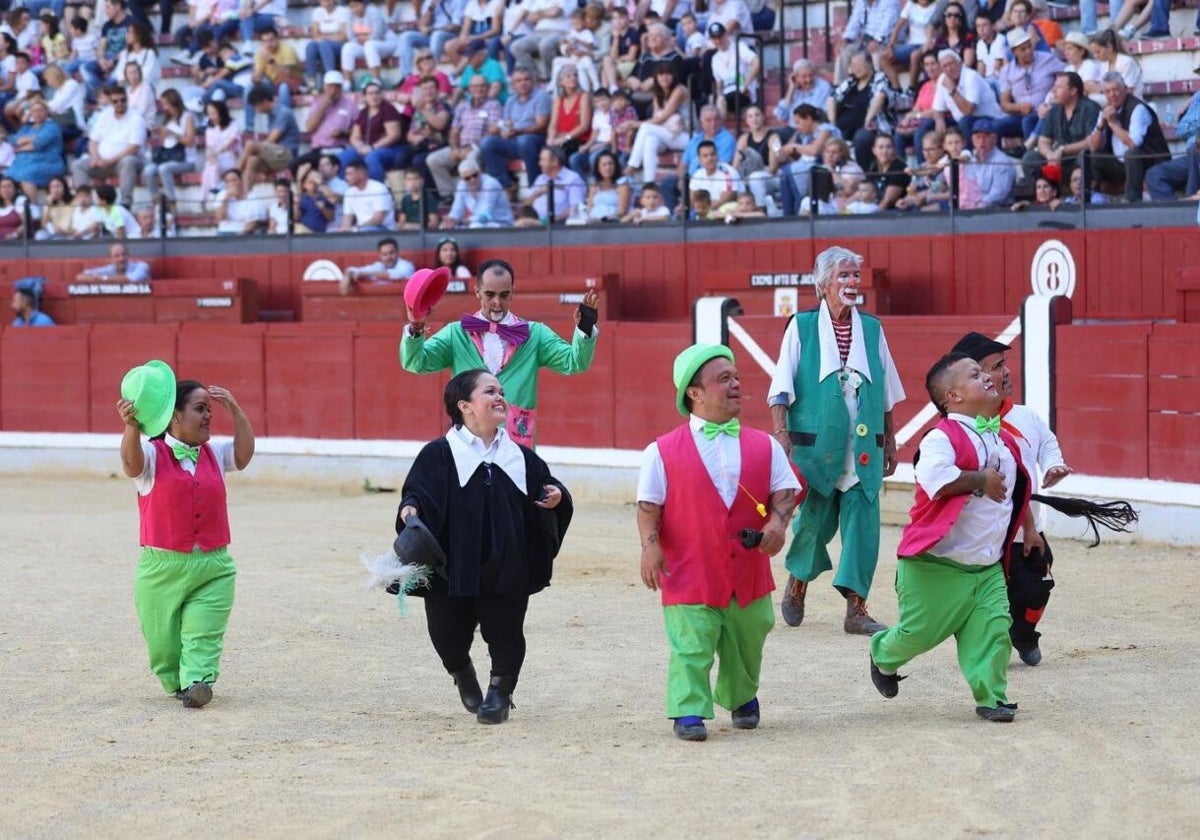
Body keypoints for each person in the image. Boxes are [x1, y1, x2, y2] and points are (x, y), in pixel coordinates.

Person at [636, 343, 800, 742]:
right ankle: (689, 709)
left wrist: (778, 524)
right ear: (695, 393)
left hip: (748, 567)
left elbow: (785, 493)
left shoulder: (766, 444)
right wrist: (650, 546)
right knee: (691, 643)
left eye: (736, 377)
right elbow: (648, 504)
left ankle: (741, 695)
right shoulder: (660, 450)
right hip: (689, 567)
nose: (736, 384)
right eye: (723, 378)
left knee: (749, 636)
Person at [395, 368, 573, 724]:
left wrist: (557, 496)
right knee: (447, 635)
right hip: (451, 564)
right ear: (465, 406)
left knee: (506, 629)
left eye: (501, 391)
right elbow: (415, 492)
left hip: (506, 561)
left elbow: (546, 487)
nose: (499, 397)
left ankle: (500, 691)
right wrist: (409, 508)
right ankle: (462, 672)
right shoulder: (438, 454)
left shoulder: (520, 457)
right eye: (489, 391)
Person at [868, 352, 1031, 722]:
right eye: (975, 374)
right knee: (918, 635)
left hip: (986, 566)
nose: (987, 377)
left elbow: (1013, 496)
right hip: (935, 566)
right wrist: (979, 480)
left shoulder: (1002, 439)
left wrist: (1030, 531)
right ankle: (882, 655)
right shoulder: (941, 438)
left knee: (994, 630)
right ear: (953, 397)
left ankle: (992, 697)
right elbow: (936, 480)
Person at [769, 246, 905, 635]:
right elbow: (781, 389)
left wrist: (890, 440)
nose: (851, 283)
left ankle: (856, 608)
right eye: (843, 276)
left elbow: (885, 391)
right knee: (814, 522)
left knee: (864, 526)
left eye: (854, 276)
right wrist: (782, 437)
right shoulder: (801, 326)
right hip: (816, 448)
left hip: (863, 447)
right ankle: (797, 583)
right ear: (823, 283)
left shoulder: (873, 329)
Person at [117, 361, 255, 708]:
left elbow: (244, 455)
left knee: (204, 633)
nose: (209, 415)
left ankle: (198, 681)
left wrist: (236, 410)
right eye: (199, 409)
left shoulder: (215, 453)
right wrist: (131, 428)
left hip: (213, 564)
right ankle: (175, 681)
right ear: (174, 416)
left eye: (210, 409)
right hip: (160, 567)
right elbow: (131, 465)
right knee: (162, 643)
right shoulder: (150, 454)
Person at [950, 332, 1072, 666]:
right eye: (995, 367)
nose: (1006, 373)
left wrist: (1053, 464)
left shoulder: (1025, 416)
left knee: (1037, 585)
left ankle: (1025, 633)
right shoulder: (959, 429)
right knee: (987, 595)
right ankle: (982, 640)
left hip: (1027, 530)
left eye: (1005, 364)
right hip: (987, 532)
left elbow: (1046, 441)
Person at [400, 258, 599, 447]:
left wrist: (585, 328)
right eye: (489, 294)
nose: (497, 302)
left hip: (516, 440)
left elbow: (575, 362)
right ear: (477, 292)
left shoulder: (535, 334)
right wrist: (416, 326)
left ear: (513, 292)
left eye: (504, 295)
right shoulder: (456, 334)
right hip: (470, 439)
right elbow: (416, 363)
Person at [1086, 71, 1169, 204]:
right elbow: (1093, 147)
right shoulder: (1106, 110)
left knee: (1132, 154)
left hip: (1150, 163)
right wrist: (1101, 125)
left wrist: (1112, 124)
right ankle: (1093, 197)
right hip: (1122, 163)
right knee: (1092, 156)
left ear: (1125, 89)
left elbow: (1133, 144)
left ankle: (1132, 198)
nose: (1112, 95)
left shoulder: (1138, 108)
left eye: (1116, 90)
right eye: (1108, 91)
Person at [69, 83, 147, 208]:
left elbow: (133, 148)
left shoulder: (136, 118)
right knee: (78, 165)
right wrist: (94, 157)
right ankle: (85, 203)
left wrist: (108, 161)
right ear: (111, 102)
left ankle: (125, 203)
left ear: (127, 100)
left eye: (123, 100)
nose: (119, 103)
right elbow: (93, 141)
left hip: (124, 162)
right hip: (102, 162)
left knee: (128, 161)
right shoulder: (104, 115)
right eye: (115, 101)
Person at [7, 100, 64, 199]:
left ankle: (33, 208)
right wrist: (30, 139)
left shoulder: (52, 127)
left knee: (27, 174)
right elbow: (13, 140)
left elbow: (38, 144)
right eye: (34, 111)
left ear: (47, 112)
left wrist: (22, 146)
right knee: (7, 176)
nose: (37, 113)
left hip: (47, 162)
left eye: (40, 110)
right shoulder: (27, 127)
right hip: (24, 163)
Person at [443, 157, 514, 228]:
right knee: (445, 227)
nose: (472, 180)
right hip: (478, 222)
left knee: (475, 226)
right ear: (463, 179)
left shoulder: (491, 184)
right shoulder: (462, 185)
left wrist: (466, 221)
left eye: (475, 175)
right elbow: (457, 209)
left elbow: (486, 215)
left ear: (480, 172)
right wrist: (451, 219)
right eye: (467, 178)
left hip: (501, 223)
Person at [340, 236, 415, 295]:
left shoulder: (407, 266)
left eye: (391, 253)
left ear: (397, 252)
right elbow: (355, 270)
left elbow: (397, 274)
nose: (388, 257)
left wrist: (365, 274)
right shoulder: (378, 266)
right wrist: (348, 275)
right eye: (384, 254)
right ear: (380, 255)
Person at [76, 242, 152, 283]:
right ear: (111, 259)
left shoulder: (142, 266)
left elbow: (132, 279)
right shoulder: (110, 269)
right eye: (117, 256)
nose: (121, 258)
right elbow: (80, 276)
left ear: (128, 255)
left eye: (124, 254)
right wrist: (96, 278)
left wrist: (104, 279)